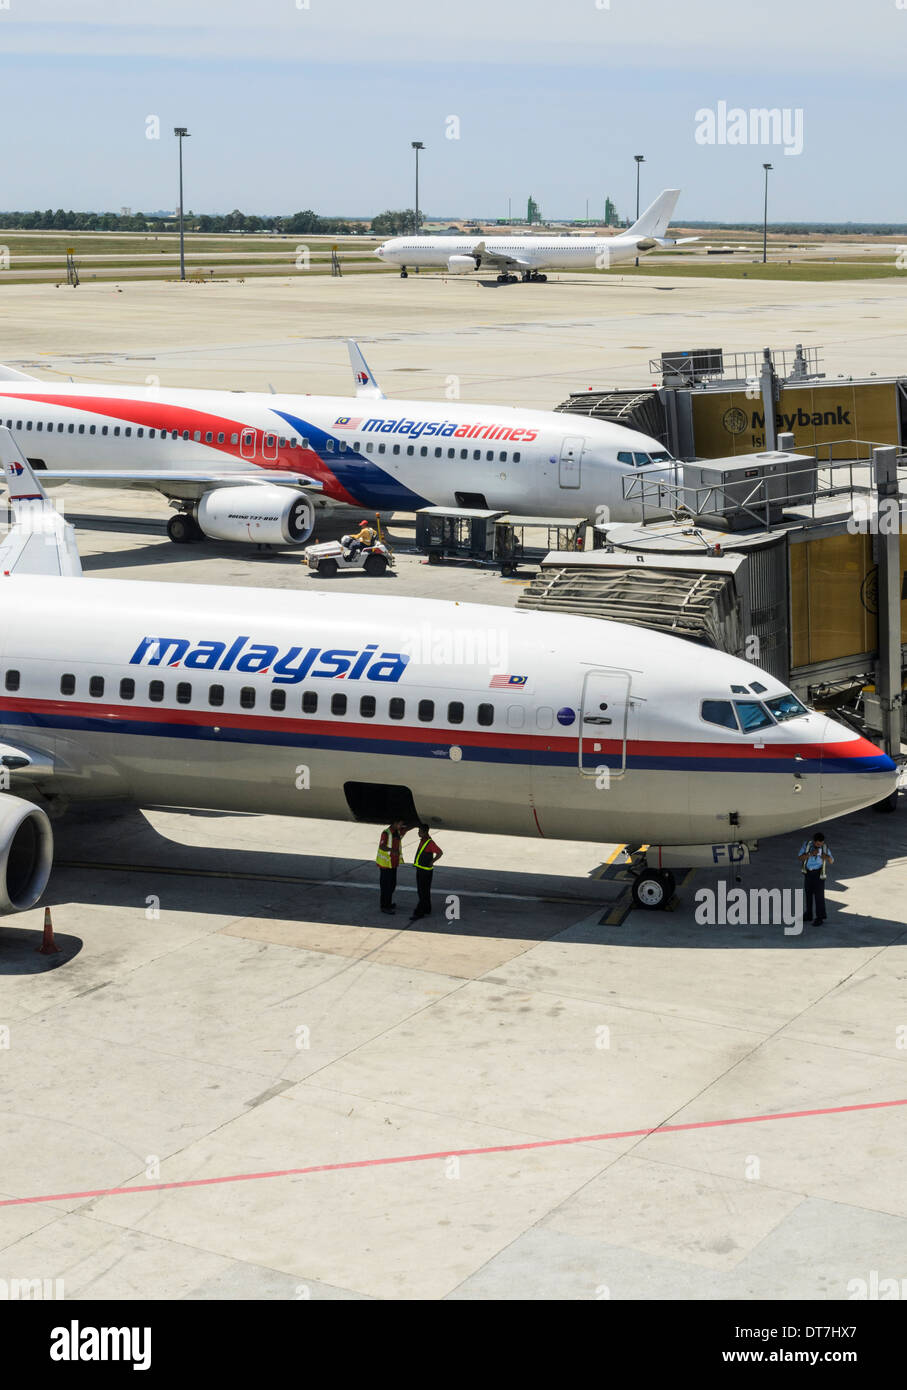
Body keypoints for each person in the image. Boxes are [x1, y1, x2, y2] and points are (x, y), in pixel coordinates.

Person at [798, 831, 834, 924]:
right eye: (818, 844)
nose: (820, 846)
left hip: (819, 874)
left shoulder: (825, 848)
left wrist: (827, 857)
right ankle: (808, 914)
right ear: (814, 841)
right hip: (808, 873)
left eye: (821, 844)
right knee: (808, 894)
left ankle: (820, 918)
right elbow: (800, 858)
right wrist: (810, 854)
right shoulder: (807, 845)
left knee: (819, 897)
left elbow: (832, 861)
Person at [410, 824, 443, 922]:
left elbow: (440, 852)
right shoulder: (424, 840)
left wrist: (432, 861)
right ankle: (427, 909)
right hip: (421, 869)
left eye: (420, 831)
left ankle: (419, 912)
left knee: (422, 892)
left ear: (425, 832)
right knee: (425, 891)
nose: (418, 833)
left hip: (424, 872)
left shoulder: (429, 842)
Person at [376, 819, 406, 914]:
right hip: (385, 865)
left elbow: (406, 830)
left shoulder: (397, 832)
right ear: (395, 823)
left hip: (393, 864)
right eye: (400, 824)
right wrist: (392, 850)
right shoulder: (386, 833)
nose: (401, 826)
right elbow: (382, 846)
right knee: (386, 887)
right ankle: (384, 906)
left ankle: (388, 903)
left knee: (392, 885)